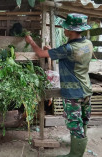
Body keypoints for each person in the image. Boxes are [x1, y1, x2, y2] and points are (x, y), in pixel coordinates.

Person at [25, 13, 93, 157]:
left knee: (75, 123)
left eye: (66, 28)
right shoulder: (87, 44)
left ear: (72, 30)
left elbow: (39, 53)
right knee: (84, 120)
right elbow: (67, 55)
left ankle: (75, 154)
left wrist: (31, 41)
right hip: (86, 89)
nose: (64, 30)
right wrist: (51, 50)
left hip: (74, 92)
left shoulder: (68, 49)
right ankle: (78, 145)